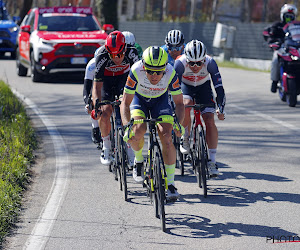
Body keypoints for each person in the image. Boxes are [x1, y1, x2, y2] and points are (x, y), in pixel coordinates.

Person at [120, 46, 185, 201]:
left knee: (167, 137)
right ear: (144, 67)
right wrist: (126, 125)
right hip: (139, 100)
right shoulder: (136, 71)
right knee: (137, 131)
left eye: (159, 71)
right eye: (150, 71)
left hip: (160, 101)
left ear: (165, 68)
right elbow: (125, 102)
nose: (154, 76)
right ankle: (139, 160)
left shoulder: (171, 72)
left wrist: (178, 123)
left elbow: (180, 103)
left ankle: (170, 183)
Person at [174, 40, 226, 177]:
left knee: (209, 119)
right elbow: (174, 90)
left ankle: (212, 161)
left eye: (199, 63)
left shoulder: (211, 63)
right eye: (191, 63)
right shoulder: (179, 63)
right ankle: (185, 137)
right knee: (185, 104)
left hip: (204, 87)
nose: (195, 66)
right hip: (186, 86)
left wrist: (221, 108)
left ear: (205, 59)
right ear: (187, 59)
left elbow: (219, 88)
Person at [93, 30, 139, 165]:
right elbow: (96, 86)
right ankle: (106, 146)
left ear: (124, 49)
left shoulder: (132, 53)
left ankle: (130, 151)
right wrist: (96, 104)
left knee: (125, 109)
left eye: (119, 54)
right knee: (105, 112)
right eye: (112, 54)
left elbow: (139, 78)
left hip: (123, 79)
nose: (116, 58)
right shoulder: (101, 55)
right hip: (106, 81)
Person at [263, 4, 298, 93]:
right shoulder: (277, 25)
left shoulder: (296, 27)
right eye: (287, 16)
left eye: (291, 17)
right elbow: (269, 34)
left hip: (293, 49)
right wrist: (272, 41)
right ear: (282, 16)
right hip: (281, 48)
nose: (289, 19)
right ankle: (274, 82)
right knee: (275, 61)